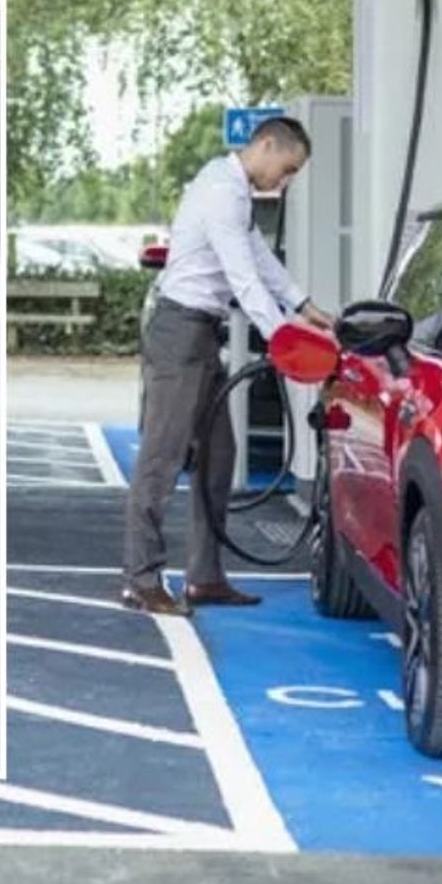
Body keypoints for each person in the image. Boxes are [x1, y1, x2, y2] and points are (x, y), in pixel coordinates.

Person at [122, 116, 333, 614]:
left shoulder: (235, 195)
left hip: (201, 333)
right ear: (265, 145)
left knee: (220, 455)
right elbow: (242, 276)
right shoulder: (221, 191)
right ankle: (141, 579)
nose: (284, 183)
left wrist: (304, 307)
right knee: (162, 457)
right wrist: (283, 336)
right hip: (180, 333)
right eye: (286, 169)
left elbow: (260, 258)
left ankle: (205, 576)